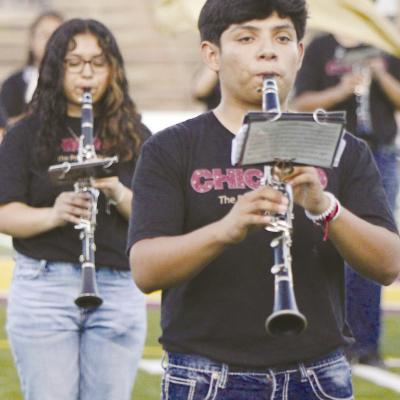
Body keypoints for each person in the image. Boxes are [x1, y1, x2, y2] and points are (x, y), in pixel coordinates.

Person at [128, 0, 400, 398]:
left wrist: (324, 206)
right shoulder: (170, 148)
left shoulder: (345, 148)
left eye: (283, 37)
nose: (268, 50)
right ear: (211, 55)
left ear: (300, 53)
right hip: (206, 377)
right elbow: (145, 271)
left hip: (318, 376)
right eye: (246, 37)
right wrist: (226, 229)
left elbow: (389, 265)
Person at [0, 18, 150, 400]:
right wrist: (56, 213)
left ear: (113, 69)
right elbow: (4, 212)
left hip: (117, 285)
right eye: (74, 63)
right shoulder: (25, 133)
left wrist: (115, 189)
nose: (87, 74)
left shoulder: (134, 134)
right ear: (56, 68)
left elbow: (152, 216)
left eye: (98, 63)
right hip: (44, 287)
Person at [292, 32, 400, 367]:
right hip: (330, 152)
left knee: (371, 245)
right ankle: (326, 337)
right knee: (325, 242)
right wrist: (343, 89)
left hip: (378, 153)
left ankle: (365, 344)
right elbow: (301, 102)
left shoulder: (385, 40)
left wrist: (378, 73)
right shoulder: (322, 46)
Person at [0, 11, 63, 128]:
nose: (50, 42)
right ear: (31, 40)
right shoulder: (13, 83)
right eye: (44, 35)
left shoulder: (72, 82)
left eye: (57, 36)